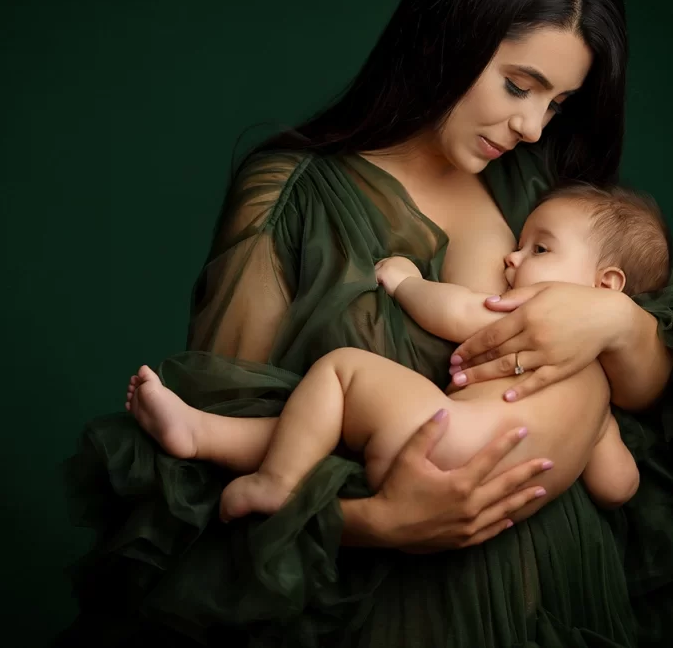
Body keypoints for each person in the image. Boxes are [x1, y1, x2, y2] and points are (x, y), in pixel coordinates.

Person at [59, 0, 673, 648]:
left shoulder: (547, 200)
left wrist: (620, 325)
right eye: (518, 85)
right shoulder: (292, 199)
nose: (533, 126)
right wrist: (379, 524)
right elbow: (195, 476)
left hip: (569, 606)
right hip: (389, 619)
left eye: (558, 103)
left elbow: (639, 403)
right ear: (449, 35)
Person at [125, 183, 670, 526]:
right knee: (326, 427)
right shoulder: (601, 400)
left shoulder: (542, 311)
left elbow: (457, 315)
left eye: (540, 249)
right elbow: (617, 486)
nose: (512, 257)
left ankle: (277, 483)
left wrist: (406, 282)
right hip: (503, 497)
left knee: (339, 378)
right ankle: (200, 434)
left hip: (444, 435)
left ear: (608, 284)